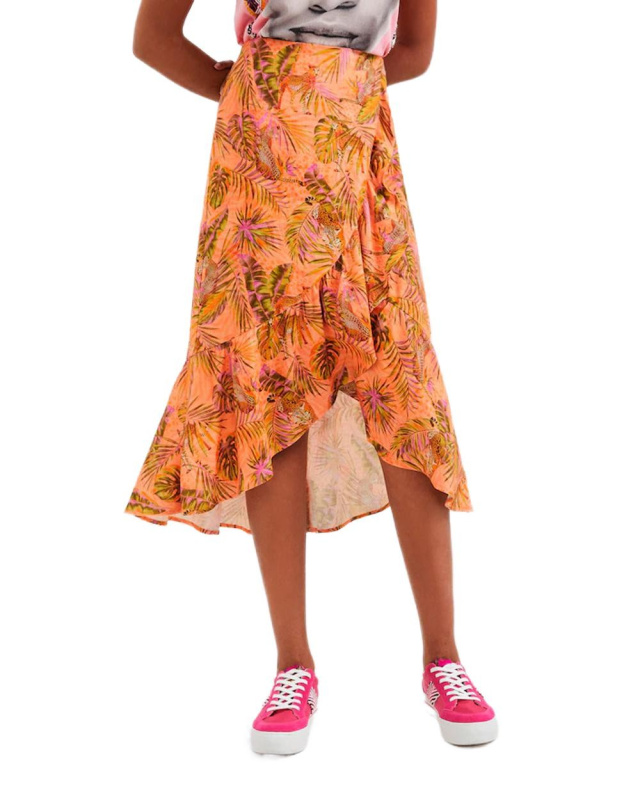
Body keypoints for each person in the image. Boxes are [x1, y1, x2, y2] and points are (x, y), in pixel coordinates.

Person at [127, 0, 497, 755]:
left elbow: (416, 50)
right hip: (261, 166)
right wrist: (253, 86)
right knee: (271, 387)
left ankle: (444, 659)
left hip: (359, 157)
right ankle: (292, 666)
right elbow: (153, 39)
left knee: (401, 386)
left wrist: (336, 90)